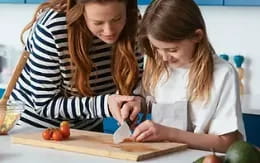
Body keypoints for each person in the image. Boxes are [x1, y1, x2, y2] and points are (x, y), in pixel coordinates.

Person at [10, 0, 144, 132]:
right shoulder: (53, 29)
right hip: (37, 130)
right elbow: (44, 105)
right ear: (81, 11)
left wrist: (133, 101)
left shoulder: (132, 21)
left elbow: (135, 79)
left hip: (88, 128)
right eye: (98, 23)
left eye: (117, 19)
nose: (109, 31)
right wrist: (104, 105)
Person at [131, 0, 245, 152]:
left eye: (172, 50)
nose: (164, 57)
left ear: (197, 36)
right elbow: (153, 104)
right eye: (157, 48)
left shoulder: (223, 74)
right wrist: (138, 104)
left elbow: (227, 144)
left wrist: (169, 134)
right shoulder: (157, 64)